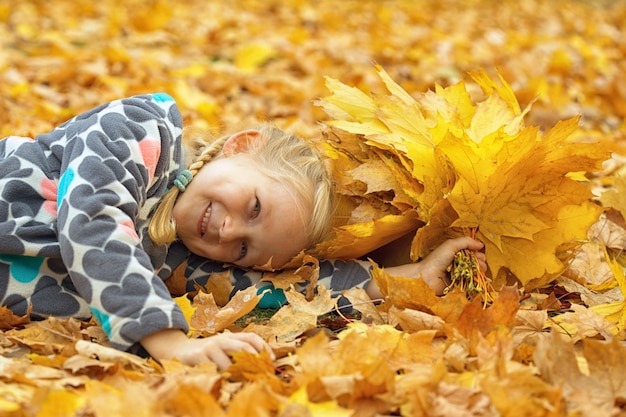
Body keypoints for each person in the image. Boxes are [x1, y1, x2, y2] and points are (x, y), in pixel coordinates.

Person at [0, 93, 485, 369]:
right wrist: (170, 342)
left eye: (245, 250)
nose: (229, 233)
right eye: (253, 206)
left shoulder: (176, 260)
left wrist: (410, 276)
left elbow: (284, 293)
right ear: (240, 145)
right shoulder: (139, 131)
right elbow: (94, 222)